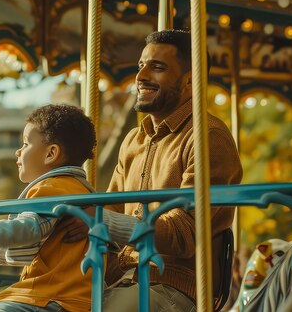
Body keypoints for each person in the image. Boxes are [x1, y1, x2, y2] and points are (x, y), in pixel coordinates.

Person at [61, 29, 243, 311]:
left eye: (157, 67)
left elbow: (186, 232)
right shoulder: (134, 139)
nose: (141, 75)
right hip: (121, 279)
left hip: (172, 284)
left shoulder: (207, 136)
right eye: (141, 66)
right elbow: (112, 210)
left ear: (190, 80)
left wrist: (100, 220)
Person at [0, 104, 97, 312]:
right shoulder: (78, 190)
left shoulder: (53, 187)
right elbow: (30, 249)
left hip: (49, 297)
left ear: (51, 153)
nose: (18, 151)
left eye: (25, 144)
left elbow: (27, 228)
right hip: (69, 299)